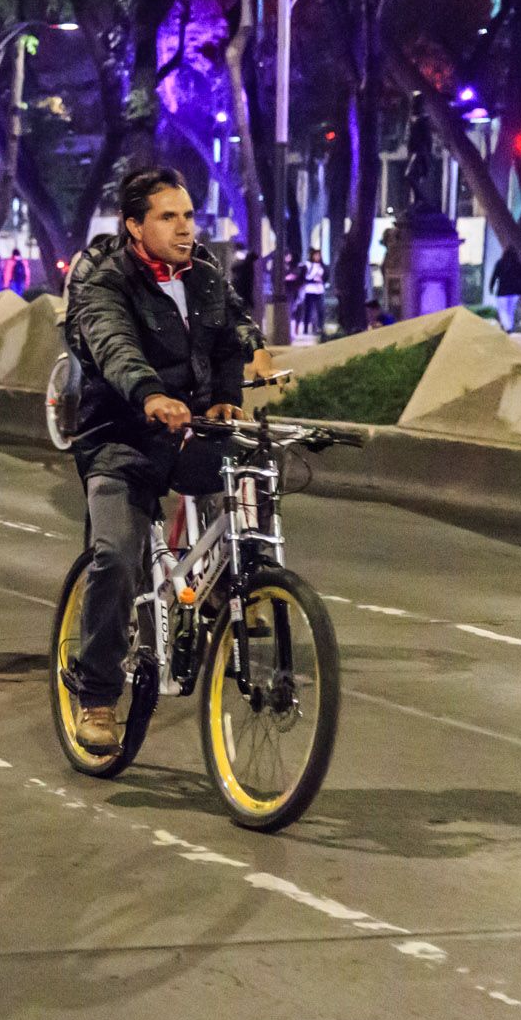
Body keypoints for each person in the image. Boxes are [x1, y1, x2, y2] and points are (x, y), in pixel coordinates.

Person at [63, 166, 263, 753]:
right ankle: (96, 695)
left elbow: (228, 335)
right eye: (167, 217)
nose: (184, 228)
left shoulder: (203, 271)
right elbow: (112, 346)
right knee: (116, 558)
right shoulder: (104, 284)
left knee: (254, 479)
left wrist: (228, 395)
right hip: (121, 438)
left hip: (191, 429)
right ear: (134, 225)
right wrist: (150, 394)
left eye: (189, 215)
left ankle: (244, 601)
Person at [489, 246, 521, 332]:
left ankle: (507, 327)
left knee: (503, 310)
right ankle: (509, 327)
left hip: (502, 291)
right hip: (514, 291)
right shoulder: (517, 264)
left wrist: (491, 287)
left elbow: (494, 276)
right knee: (510, 311)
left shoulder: (500, 263)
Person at [295, 255, 326, 339]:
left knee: (320, 310)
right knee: (308, 310)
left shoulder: (322, 266)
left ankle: (320, 327)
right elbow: (305, 277)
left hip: (319, 290)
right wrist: (313, 278)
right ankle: (306, 328)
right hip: (310, 290)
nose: (317, 257)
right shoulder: (308, 265)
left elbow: (326, 276)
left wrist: (321, 280)